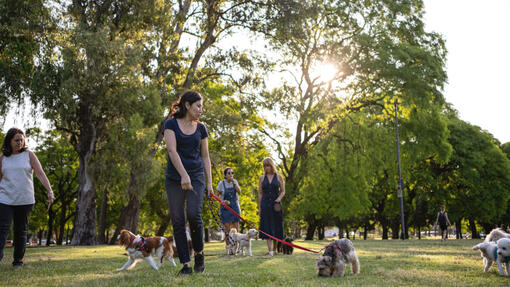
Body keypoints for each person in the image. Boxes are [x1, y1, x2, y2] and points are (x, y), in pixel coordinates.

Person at [163, 91, 213, 275]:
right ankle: (186, 264)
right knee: (177, 220)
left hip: (197, 176)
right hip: (174, 178)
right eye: (198, 106)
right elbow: (171, 151)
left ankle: (199, 254)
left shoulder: (201, 128)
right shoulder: (170, 124)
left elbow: (205, 157)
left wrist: (209, 183)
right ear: (187, 105)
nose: (201, 110)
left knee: (193, 214)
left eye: (202, 106)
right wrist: (183, 175)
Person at [0, 128, 54, 269]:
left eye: (21, 139)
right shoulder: (2, 158)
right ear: (9, 141)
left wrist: (49, 191)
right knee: (3, 228)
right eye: (16, 140)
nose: (19, 142)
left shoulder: (29, 155)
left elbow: (40, 174)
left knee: (20, 230)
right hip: (5, 199)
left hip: (25, 200)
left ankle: (17, 261)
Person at [258, 157, 285, 256]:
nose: (266, 168)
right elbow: (260, 193)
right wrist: (259, 207)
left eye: (268, 165)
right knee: (267, 226)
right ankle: (270, 251)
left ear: (272, 165)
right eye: (265, 166)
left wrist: (278, 199)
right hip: (265, 204)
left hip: (276, 205)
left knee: (276, 225)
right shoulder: (262, 178)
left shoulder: (278, 177)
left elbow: (283, 191)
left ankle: (275, 249)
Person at [216, 167, 241, 247]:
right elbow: (216, 195)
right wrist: (222, 201)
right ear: (225, 175)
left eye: (232, 173)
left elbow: (239, 192)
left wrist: (234, 183)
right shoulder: (221, 184)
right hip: (225, 208)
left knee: (236, 229)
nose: (231, 175)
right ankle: (228, 247)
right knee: (227, 229)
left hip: (234, 206)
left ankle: (237, 247)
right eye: (229, 173)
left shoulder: (235, 181)